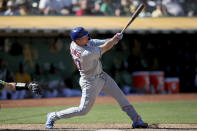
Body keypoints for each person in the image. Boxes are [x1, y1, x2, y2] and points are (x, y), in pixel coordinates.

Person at [45, 27, 148, 129]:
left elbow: (95, 42)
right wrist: (114, 41)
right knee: (83, 110)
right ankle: (53, 116)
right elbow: (105, 48)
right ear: (78, 40)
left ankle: (137, 120)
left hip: (102, 76)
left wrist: (113, 39)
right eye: (84, 36)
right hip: (90, 82)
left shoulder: (75, 43)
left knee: (121, 96)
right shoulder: (86, 53)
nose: (87, 37)